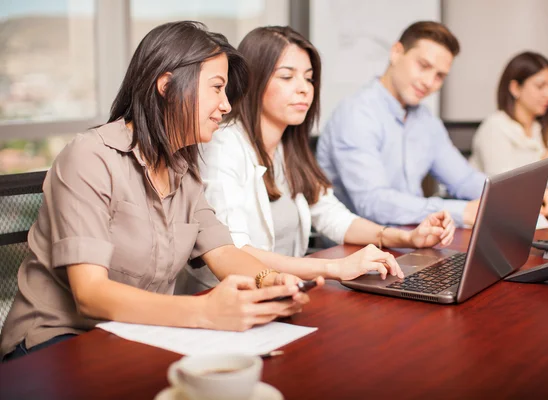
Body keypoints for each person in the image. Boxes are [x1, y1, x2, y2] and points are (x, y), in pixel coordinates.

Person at [0, 21, 320, 362]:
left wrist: (270, 281)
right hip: (55, 344)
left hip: (136, 334)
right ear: (167, 86)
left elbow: (223, 252)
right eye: (217, 88)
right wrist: (205, 312)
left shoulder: (184, 169)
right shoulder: (90, 157)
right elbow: (90, 294)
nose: (226, 106)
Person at [189, 26, 455, 291]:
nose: (304, 89)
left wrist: (407, 237)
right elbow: (235, 251)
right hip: (225, 296)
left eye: (309, 78)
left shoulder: (288, 146)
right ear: (254, 80)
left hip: (282, 291)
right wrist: (334, 268)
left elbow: (330, 214)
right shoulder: (223, 145)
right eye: (287, 77)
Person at [316, 21, 486, 228]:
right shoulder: (357, 114)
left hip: (414, 240)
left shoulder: (426, 121)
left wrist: (514, 199)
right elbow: (373, 203)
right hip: (357, 250)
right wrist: (460, 212)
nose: (429, 82)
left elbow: (463, 180)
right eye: (423, 66)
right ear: (396, 52)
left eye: (439, 76)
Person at [470, 51, 548, 177]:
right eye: (540, 86)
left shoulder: (540, 127)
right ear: (515, 88)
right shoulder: (494, 128)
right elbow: (503, 186)